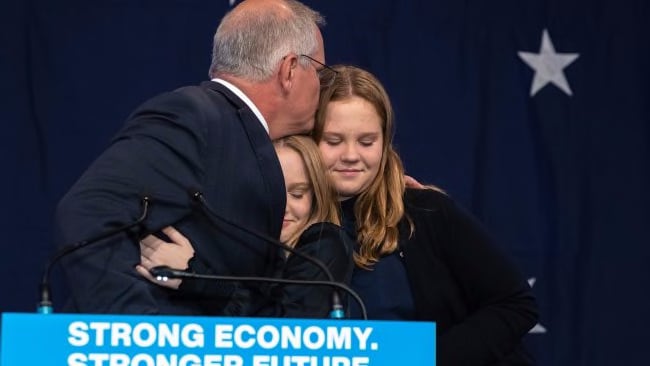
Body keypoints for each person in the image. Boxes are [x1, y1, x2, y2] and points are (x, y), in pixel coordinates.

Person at [55, 0, 330, 314]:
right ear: (289, 69)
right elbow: (88, 211)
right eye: (319, 72)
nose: (321, 86)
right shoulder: (195, 117)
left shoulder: (238, 131)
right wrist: (137, 333)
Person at [313, 65, 539, 365]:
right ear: (307, 139)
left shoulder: (426, 211)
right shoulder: (284, 220)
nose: (351, 155)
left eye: (367, 142)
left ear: (385, 141)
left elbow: (516, 303)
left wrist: (431, 360)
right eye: (333, 141)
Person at [135, 135, 354, 317]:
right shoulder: (235, 241)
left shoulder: (325, 242)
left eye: (297, 194)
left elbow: (287, 335)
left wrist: (195, 278)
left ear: (316, 197)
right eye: (271, 192)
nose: (282, 206)